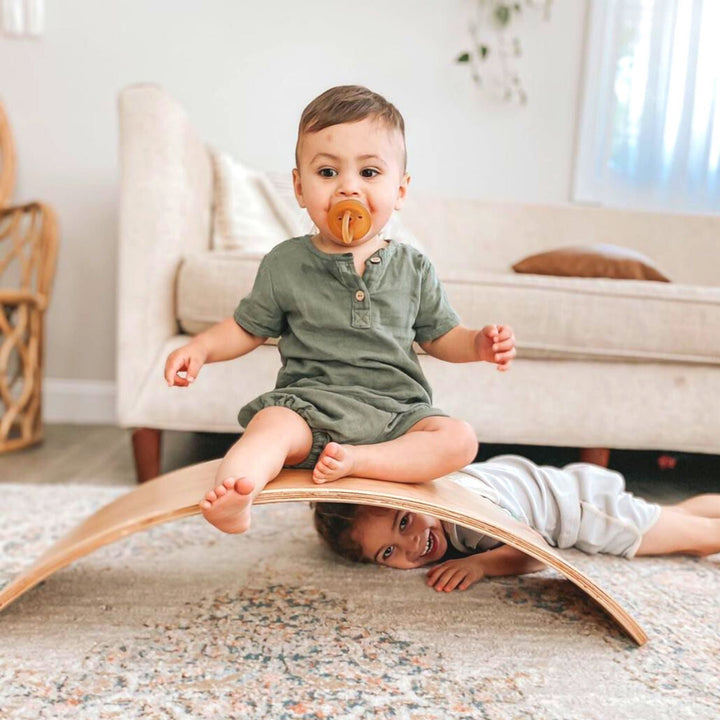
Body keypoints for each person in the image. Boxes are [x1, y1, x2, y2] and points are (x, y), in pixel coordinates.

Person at [164, 85, 517, 534]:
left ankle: (361, 461)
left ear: (401, 190)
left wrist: (478, 344)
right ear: (299, 186)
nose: (348, 187)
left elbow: (440, 335)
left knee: (459, 439)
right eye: (328, 172)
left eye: (370, 172)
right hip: (309, 411)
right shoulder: (285, 263)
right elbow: (246, 327)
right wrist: (201, 349)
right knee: (270, 425)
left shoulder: (413, 267)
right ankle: (238, 491)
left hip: (396, 416)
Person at [312, 455, 720, 592]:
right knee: (675, 514)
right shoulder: (441, 485)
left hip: (583, 511)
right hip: (562, 484)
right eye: (388, 553)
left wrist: (481, 564)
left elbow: (536, 552)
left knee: (697, 540)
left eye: (404, 522)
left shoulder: (467, 524)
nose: (413, 545)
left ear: (413, 492)